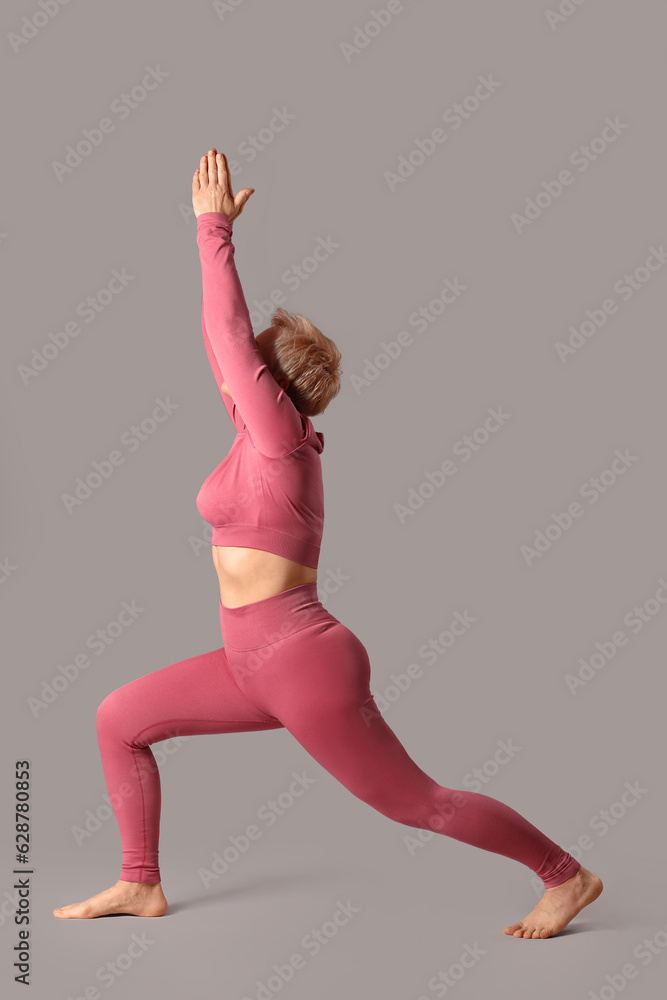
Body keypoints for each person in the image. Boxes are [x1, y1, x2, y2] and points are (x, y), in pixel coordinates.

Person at [53, 148, 603, 938]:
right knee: (118, 719)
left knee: (417, 803)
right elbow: (221, 346)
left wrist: (211, 231)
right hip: (247, 662)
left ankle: (565, 875)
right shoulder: (259, 439)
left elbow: (225, 332)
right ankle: (139, 883)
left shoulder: (279, 442)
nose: (230, 371)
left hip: (300, 662)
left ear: (270, 387)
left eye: (250, 367)